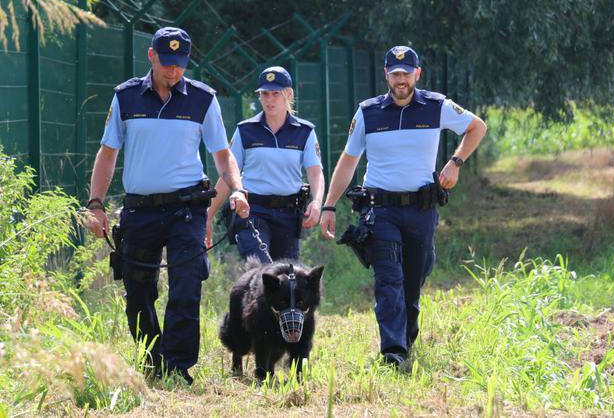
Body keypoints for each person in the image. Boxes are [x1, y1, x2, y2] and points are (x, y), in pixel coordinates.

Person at [84, 27, 249, 385]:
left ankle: (177, 366)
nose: (173, 72)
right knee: (138, 290)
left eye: (180, 65)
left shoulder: (203, 99)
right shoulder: (125, 97)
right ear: (151, 57)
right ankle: (153, 357)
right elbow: (108, 154)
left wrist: (237, 189)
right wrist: (96, 204)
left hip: (186, 208)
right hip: (140, 210)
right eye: (166, 64)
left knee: (187, 285)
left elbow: (223, 155)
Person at [320, 46, 487, 366]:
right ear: (386, 75)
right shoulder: (367, 112)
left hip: (422, 210)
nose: (401, 80)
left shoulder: (436, 105)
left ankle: (406, 334)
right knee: (388, 278)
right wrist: (329, 205)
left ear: (417, 74)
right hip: (380, 209)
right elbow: (348, 161)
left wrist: (455, 162)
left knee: (413, 278)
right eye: (395, 74)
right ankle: (393, 350)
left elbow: (477, 127)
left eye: (406, 74)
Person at [206, 66, 324, 262]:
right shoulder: (245, 131)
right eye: (264, 94)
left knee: (286, 280)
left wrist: (317, 202)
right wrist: (209, 214)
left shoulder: (305, 132)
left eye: (276, 94)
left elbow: (315, 172)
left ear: (289, 94)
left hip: (288, 214)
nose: (269, 100)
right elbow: (228, 174)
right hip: (252, 211)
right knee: (263, 270)